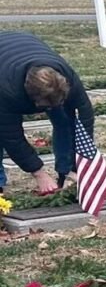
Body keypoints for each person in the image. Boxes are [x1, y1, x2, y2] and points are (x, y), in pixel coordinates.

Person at [0, 32, 97, 195]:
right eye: (46, 106)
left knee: (66, 121)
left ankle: (65, 172)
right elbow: (12, 137)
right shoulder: (7, 91)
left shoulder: (66, 77)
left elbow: (85, 120)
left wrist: (78, 165)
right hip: (5, 66)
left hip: (25, 46)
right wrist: (39, 173)